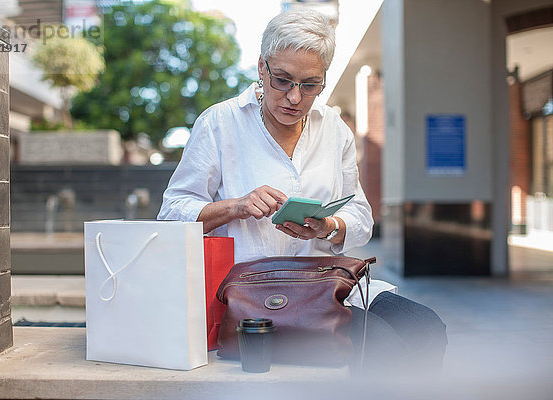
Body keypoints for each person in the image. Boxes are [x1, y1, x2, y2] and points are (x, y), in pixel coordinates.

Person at [158, 8, 446, 371]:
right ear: (261, 69)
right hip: (252, 293)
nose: (295, 98)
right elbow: (172, 212)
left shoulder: (333, 128)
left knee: (427, 328)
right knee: (383, 346)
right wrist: (237, 206)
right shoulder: (220, 123)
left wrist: (329, 226)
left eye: (310, 85)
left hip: (323, 282)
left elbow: (360, 217)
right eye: (282, 80)